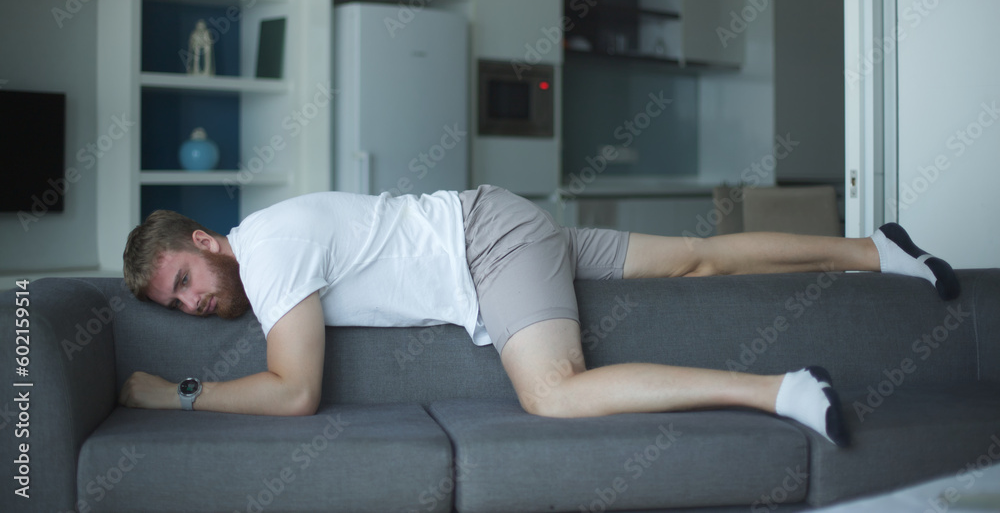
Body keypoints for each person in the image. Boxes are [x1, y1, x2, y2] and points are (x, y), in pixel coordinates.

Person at [119, 185, 959, 448]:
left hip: (489, 247)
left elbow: (292, 389)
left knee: (552, 392)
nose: (193, 303)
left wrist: (179, 395)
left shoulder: (267, 253)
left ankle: (783, 389)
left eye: (186, 278)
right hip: (501, 226)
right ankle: (876, 250)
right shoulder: (263, 257)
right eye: (176, 303)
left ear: (206, 239)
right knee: (699, 255)